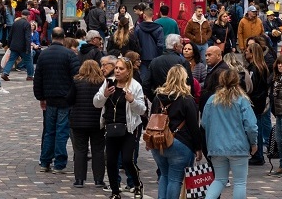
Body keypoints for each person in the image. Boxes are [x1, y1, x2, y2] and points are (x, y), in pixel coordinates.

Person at [95, 56, 148, 199]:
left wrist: (132, 101)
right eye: (116, 68)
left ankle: (137, 184)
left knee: (126, 160)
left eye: (121, 69)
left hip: (129, 128)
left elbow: (142, 110)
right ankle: (115, 192)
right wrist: (104, 96)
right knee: (111, 161)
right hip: (111, 127)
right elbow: (96, 103)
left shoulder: (135, 86)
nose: (117, 71)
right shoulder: (108, 83)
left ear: (128, 71)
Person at [202, 68, 257, 199]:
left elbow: (204, 123)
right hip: (238, 146)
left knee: (219, 180)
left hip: (216, 147)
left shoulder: (211, 100)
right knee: (239, 182)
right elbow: (251, 125)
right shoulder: (242, 100)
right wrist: (253, 143)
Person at [149, 65, 202, 199]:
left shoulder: (157, 98)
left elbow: (152, 119)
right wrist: (198, 148)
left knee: (164, 175)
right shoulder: (186, 99)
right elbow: (193, 126)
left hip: (158, 141)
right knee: (175, 179)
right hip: (180, 141)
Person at [34, 27, 80, 173]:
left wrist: (40, 97)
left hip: (49, 98)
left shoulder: (43, 55)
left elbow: (38, 78)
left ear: (51, 36)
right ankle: (59, 164)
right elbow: (77, 77)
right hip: (65, 98)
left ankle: (45, 161)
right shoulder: (69, 55)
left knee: (49, 131)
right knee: (62, 131)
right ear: (63, 37)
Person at [68, 60, 107, 189]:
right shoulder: (102, 82)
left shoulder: (76, 81)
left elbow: (69, 99)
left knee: (80, 151)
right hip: (97, 122)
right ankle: (98, 180)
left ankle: (79, 179)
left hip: (78, 121)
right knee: (98, 151)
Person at [243, 39, 272, 165]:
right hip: (258, 101)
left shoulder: (255, 68)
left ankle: (258, 154)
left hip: (256, 102)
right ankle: (257, 153)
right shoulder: (260, 67)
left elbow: (252, 86)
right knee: (257, 127)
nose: (245, 52)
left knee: (257, 128)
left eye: (247, 51)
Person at [2, 10, 35, 82]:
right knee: (28, 60)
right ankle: (30, 76)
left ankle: (5, 73)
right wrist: (28, 48)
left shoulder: (15, 23)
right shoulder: (27, 24)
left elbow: (10, 35)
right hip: (23, 46)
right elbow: (27, 37)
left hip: (14, 45)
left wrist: (9, 45)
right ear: (28, 16)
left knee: (11, 60)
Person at [197, 45, 226, 110]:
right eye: (206, 55)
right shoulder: (215, 69)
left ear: (218, 56)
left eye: (209, 55)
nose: (206, 58)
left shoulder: (221, 71)